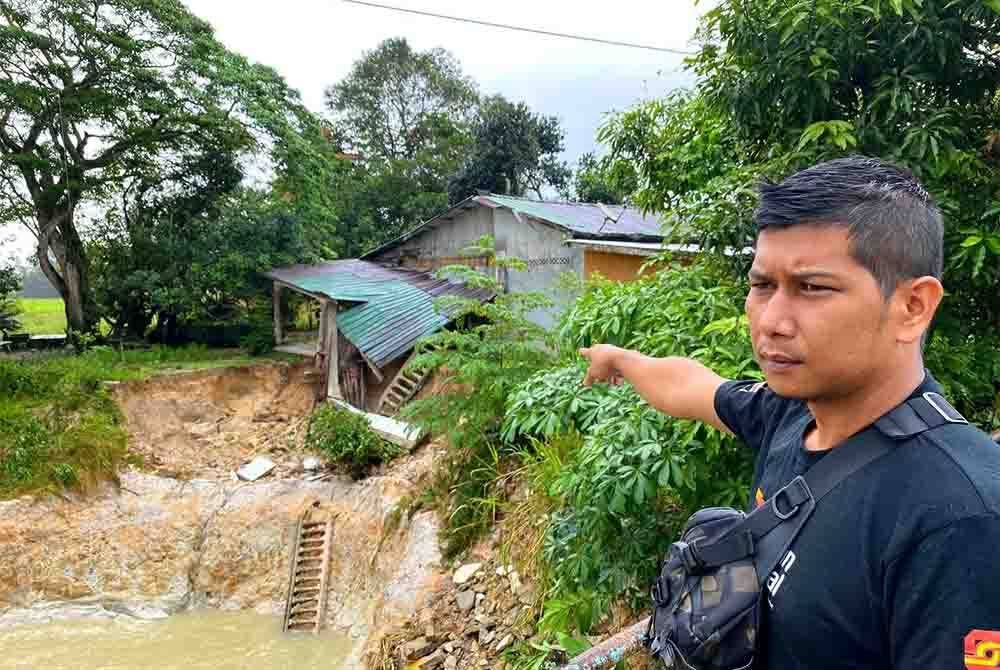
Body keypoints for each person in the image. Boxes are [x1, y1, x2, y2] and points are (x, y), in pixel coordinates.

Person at [580, 157, 1000, 670]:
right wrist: (620, 359)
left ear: (912, 306)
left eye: (812, 287)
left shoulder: (961, 520)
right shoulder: (791, 416)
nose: (772, 321)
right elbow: (692, 385)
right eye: (763, 286)